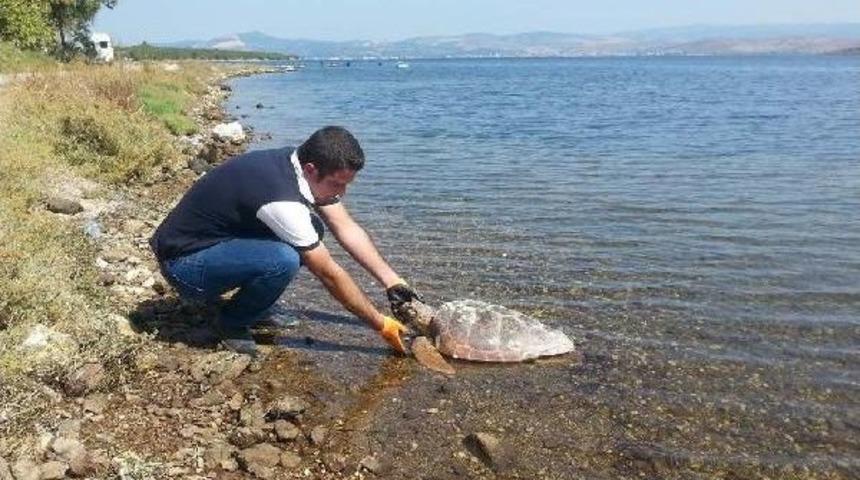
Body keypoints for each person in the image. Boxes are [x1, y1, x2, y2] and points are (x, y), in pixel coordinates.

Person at [149, 126, 421, 356]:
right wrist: (380, 324)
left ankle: (254, 306)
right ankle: (232, 322)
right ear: (312, 169)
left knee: (311, 227)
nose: (343, 192)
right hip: (184, 265)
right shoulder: (281, 199)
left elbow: (346, 227)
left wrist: (392, 281)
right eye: (338, 184)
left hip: (215, 242)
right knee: (284, 259)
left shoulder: (297, 165)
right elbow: (328, 273)